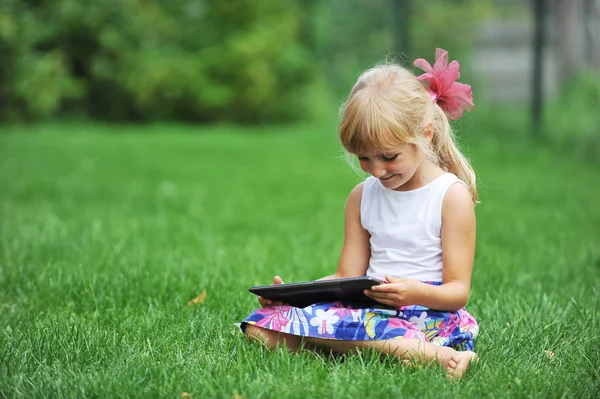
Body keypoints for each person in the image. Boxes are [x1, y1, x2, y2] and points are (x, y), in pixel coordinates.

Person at [241, 48, 480, 379]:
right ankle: (392, 351)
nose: (377, 171)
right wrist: (296, 297)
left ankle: (437, 354)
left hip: (429, 312)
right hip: (368, 308)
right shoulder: (361, 197)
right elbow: (345, 278)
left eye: (389, 156)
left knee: (358, 325)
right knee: (259, 327)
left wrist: (411, 292)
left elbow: (457, 291)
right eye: (365, 158)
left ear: (424, 135)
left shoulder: (449, 196)